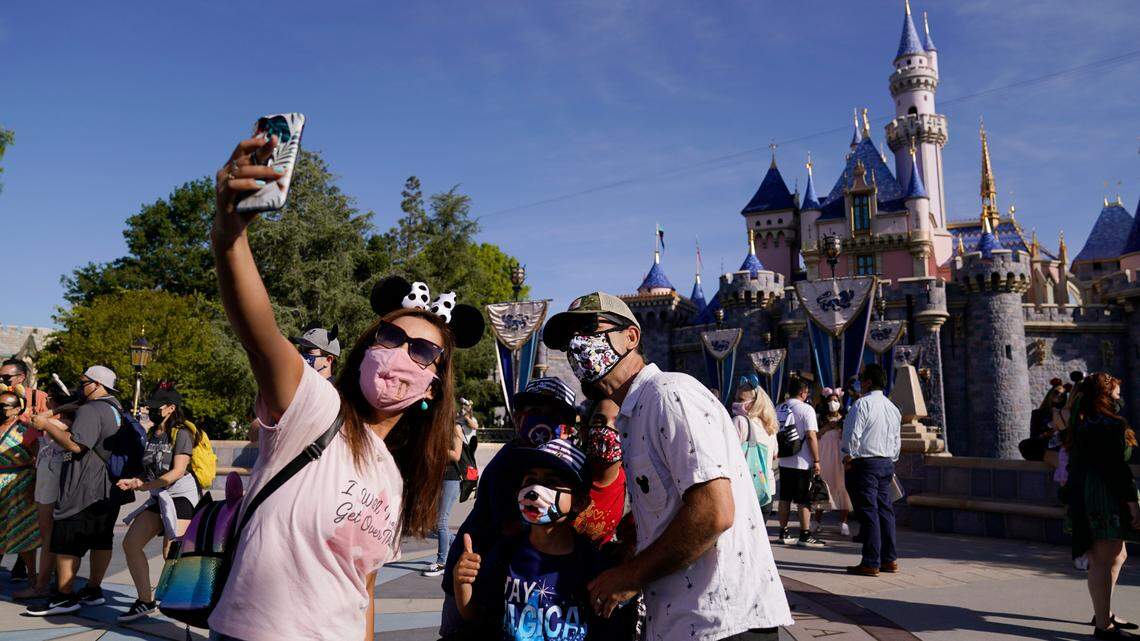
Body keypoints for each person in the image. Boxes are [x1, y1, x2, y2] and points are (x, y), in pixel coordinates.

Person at [206, 132, 485, 641]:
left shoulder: (398, 477)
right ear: (368, 343)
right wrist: (229, 236)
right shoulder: (314, 411)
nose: (401, 353)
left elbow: (365, 589)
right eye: (391, 336)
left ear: (433, 385)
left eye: (422, 351)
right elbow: (260, 333)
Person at [543, 291, 793, 641]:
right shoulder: (633, 416)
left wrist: (630, 576)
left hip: (721, 622)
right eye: (569, 340)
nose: (578, 346)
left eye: (588, 329)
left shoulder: (669, 394)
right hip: (685, 622)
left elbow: (713, 512)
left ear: (630, 336)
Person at [439, 376, 579, 636]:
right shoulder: (510, 464)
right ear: (518, 419)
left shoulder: (565, 462)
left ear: (568, 427)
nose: (541, 420)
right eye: (533, 411)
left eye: (552, 414)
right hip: (477, 577)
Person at [453, 438, 622, 638]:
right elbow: (474, 613)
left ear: (580, 502)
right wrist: (461, 582)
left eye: (551, 482)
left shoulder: (592, 565)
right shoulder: (506, 551)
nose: (534, 490)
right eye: (530, 480)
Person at [25, 366, 124, 616]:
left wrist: (47, 425)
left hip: (84, 486)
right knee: (101, 539)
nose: (81, 387)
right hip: (108, 487)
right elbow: (77, 405)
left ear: (98, 385)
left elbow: (76, 444)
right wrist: (56, 411)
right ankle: (93, 590)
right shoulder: (114, 407)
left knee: (67, 540)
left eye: (84, 383)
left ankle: (64, 597)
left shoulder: (91, 410)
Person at [115, 387, 203, 622]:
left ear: (171, 408)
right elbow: (151, 469)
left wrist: (144, 486)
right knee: (131, 544)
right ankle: (145, 601)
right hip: (159, 494)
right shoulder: (154, 432)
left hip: (181, 495)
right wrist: (136, 481)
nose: (151, 409)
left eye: (157, 406)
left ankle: (190, 601)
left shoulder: (181, 432)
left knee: (172, 552)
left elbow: (178, 471)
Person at [1066, 373, 1140, 639]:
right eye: (1117, 393)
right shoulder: (1108, 424)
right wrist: (1132, 503)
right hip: (1104, 494)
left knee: (1115, 556)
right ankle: (1103, 627)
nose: (1120, 398)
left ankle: (1103, 613)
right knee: (1104, 559)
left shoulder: (1083, 422)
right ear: (1105, 396)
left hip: (1088, 491)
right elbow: (1116, 468)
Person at [841, 364, 902, 577]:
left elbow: (851, 434)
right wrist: (891, 458)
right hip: (886, 462)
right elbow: (896, 439)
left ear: (867, 382)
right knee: (885, 510)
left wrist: (847, 456)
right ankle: (889, 558)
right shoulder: (892, 407)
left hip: (865, 463)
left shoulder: (862, 404)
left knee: (869, 512)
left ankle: (871, 560)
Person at [248, 325, 343, 443]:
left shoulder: (341, 394)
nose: (301, 355)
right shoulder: (292, 389)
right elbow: (253, 434)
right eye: (300, 350)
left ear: (328, 359)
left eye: (308, 350)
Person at [775, 377, 826, 548]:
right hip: (802, 461)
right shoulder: (807, 410)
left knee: (785, 498)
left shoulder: (779, 408)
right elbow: (811, 436)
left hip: (784, 460)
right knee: (804, 499)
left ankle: (784, 532)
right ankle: (805, 534)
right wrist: (817, 460)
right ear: (803, 392)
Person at [422, 401, 470, 577]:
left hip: (451, 479)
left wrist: (436, 448)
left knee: (442, 521)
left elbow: (456, 455)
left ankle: (442, 562)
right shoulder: (437, 430)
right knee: (436, 524)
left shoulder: (455, 428)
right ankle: (460, 544)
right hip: (439, 478)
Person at [0, 388, 40, 590]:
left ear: (17, 409)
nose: (0, 409)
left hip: (20, 485)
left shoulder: (26, 430)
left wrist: (33, 485)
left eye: (4, 406)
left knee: (23, 532)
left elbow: (38, 459)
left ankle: (32, 577)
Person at [573, 398, 627, 546]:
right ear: (585, 429)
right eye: (599, 421)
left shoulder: (636, 487)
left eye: (618, 424)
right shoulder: (567, 475)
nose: (607, 430)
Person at [731, 379, 779, 523]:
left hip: (745, 490)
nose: (736, 402)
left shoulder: (740, 421)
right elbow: (775, 455)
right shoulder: (770, 425)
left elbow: (729, 454)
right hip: (766, 490)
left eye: (741, 399)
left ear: (754, 402)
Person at [814, 388, 853, 537]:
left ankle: (843, 522)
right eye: (830, 400)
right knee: (822, 486)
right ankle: (816, 521)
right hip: (824, 457)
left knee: (841, 486)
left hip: (839, 457)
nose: (833, 403)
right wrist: (826, 428)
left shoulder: (845, 418)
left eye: (836, 400)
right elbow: (815, 435)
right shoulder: (820, 418)